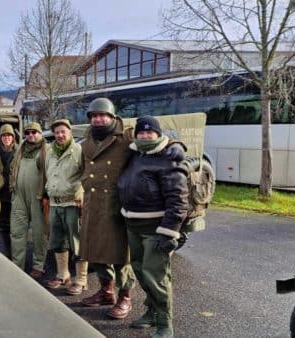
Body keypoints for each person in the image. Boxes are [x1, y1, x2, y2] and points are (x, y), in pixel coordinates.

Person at [117, 116, 189, 338]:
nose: (145, 135)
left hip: (155, 229)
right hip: (133, 225)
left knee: (156, 277)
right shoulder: (135, 154)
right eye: (141, 132)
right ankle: (151, 312)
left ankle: (165, 324)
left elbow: (178, 199)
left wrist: (169, 231)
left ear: (158, 134)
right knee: (140, 271)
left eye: (150, 132)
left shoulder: (169, 156)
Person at [79, 98, 137, 320]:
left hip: (117, 204)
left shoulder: (126, 136)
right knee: (95, 251)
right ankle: (106, 291)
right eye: (94, 116)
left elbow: (153, 141)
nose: (98, 119)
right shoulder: (86, 141)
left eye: (102, 115)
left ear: (113, 117)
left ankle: (125, 296)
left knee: (121, 255)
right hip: (92, 204)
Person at [43, 119, 87, 294]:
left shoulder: (79, 151)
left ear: (70, 132)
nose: (60, 135)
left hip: (72, 203)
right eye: (57, 132)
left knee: (77, 241)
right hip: (55, 203)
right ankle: (63, 274)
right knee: (57, 240)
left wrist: (82, 193)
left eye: (63, 131)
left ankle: (81, 279)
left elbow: (87, 174)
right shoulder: (50, 152)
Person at [9, 122, 48, 279]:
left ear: (40, 134)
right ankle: (17, 264)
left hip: (38, 196)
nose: (31, 135)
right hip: (18, 195)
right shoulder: (20, 150)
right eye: (28, 132)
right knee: (17, 232)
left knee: (40, 233)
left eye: (34, 132)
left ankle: (39, 265)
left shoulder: (47, 150)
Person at [0, 124, 18, 258]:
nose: (6, 138)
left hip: (15, 194)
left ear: (13, 137)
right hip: (0, 195)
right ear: (0, 138)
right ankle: (6, 253)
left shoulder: (19, 151)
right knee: (3, 225)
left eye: (9, 135)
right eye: (4, 135)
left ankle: (17, 254)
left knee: (17, 227)